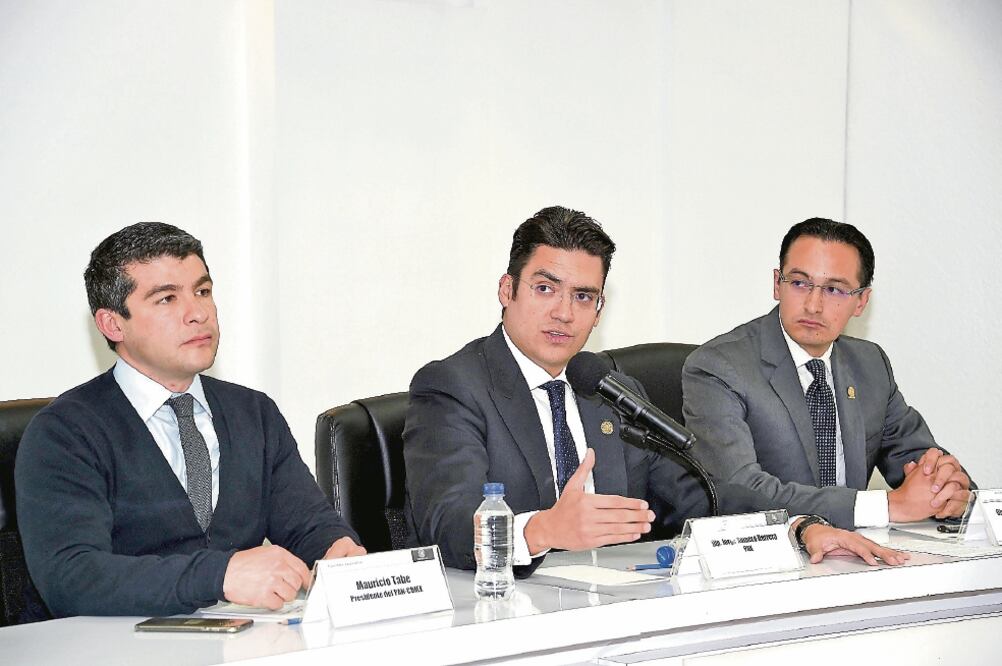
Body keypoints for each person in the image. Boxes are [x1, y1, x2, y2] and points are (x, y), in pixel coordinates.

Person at [403, 207, 904, 575]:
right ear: (506, 290)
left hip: (621, 613)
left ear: (599, 310)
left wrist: (800, 529)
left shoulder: (610, 389)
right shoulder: (453, 387)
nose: (563, 312)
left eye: (583, 297)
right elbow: (447, 522)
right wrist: (542, 530)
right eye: (544, 288)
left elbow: (703, 496)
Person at [16, 222, 365, 618]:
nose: (198, 313)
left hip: (239, 645)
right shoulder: (65, 432)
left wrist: (337, 551)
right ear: (113, 324)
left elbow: (308, 525)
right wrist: (220, 576)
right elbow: (73, 577)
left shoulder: (253, 413)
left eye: (203, 291)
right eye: (166, 299)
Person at [682, 218, 972, 530]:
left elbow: (920, 460)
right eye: (799, 283)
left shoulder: (870, 364)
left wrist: (949, 491)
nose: (814, 305)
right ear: (777, 284)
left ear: (861, 301)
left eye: (834, 289)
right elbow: (736, 488)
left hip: (857, 557)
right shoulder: (719, 366)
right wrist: (885, 506)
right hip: (768, 558)